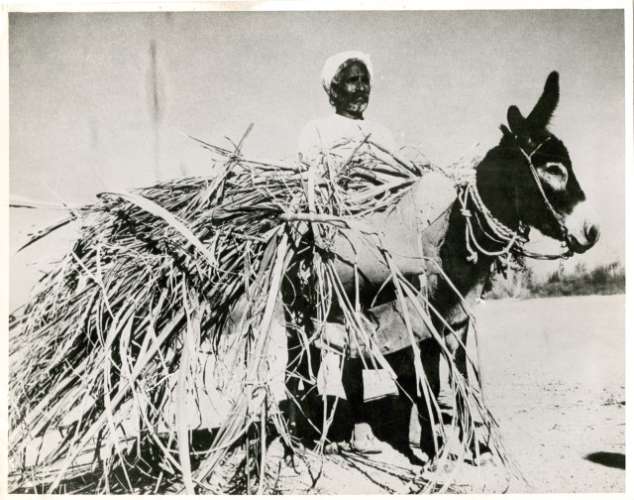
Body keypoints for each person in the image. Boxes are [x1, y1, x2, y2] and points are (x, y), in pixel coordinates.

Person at [297, 51, 398, 454]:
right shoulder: (317, 131)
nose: (360, 88)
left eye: (364, 80)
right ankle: (329, 421)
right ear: (333, 90)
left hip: (376, 239)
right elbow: (310, 181)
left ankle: (367, 419)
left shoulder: (382, 134)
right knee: (332, 330)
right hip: (333, 235)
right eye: (351, 81)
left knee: (371, 329)